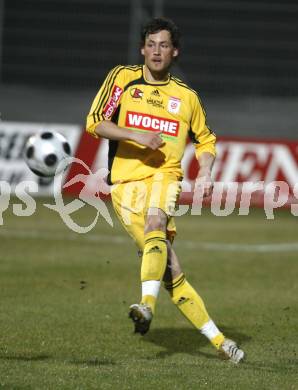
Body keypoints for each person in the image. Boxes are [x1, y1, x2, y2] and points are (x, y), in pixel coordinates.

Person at [86, 17, 244, 363]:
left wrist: (205, 171)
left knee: (157, 221)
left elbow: (206, 139)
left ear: (175, 52)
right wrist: (137, 135)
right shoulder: (123, 79)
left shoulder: (186, 97)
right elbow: (95, 121)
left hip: (165, 176)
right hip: (125, 185)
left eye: (164, 45)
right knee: (171, 271)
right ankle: (221, 342)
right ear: (143, 48)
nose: (157, 51)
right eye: (151, 44)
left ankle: (145, 305)